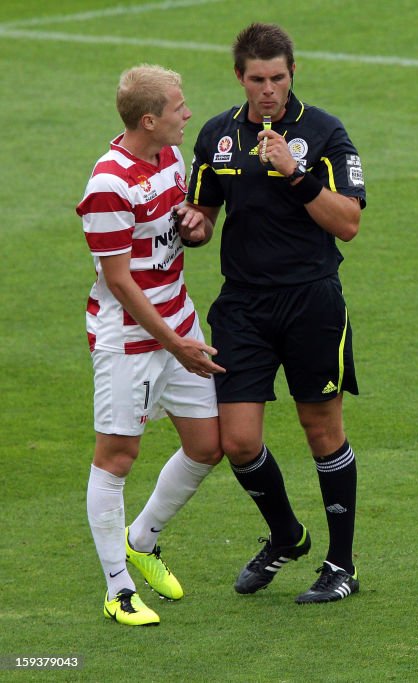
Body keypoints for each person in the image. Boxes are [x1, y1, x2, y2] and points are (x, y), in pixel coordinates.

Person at [183, 23, 365, 604]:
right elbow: (204, 215)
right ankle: (287, 535)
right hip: (242, 305)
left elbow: (348, 223)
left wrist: (294, 170)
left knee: (322, 430)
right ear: (240, 77)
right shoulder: (217, 136)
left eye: (278, 78)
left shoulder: (325, 132)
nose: (268, 90)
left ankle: (341, 565)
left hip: (312, 300)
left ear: (293, 74)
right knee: (236, 441)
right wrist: (194, 227)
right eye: (257, 79)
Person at [77, 64, 224, 626]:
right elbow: (119, 280)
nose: (188, 114)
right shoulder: (108, 185)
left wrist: (191, 225)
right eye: (178, 108)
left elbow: (175, 230)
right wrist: (176, 343)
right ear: (149, 119)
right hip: (129, 340)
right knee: (117, 458)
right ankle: (117, 590)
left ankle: (142, 538)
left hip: (178, 323)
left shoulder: (169, 158)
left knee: (207, 446)